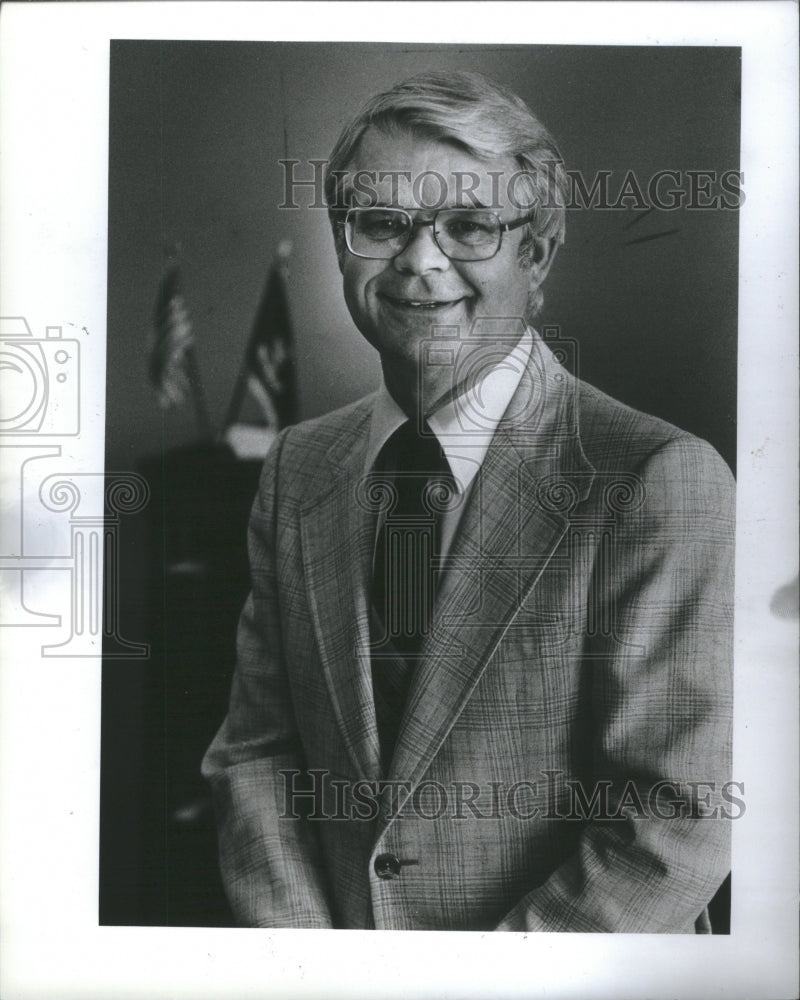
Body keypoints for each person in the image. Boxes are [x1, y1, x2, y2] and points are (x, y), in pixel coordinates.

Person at [202, 70, 735, 932]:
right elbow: (257, 754)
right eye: (381, 223)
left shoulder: (655, 478)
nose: (420, 262)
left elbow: (676, 822)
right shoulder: (300, 465)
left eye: (469, 225)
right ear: (342, 244)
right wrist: (310, 972)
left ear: (537, 250)